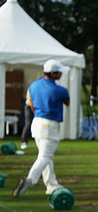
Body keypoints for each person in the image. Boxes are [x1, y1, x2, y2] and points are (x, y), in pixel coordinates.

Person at [12, 60, 70, 198]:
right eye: (59, 72)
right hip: (50, 125)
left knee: (46, 155)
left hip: (37, 123)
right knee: (45, 156)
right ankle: (29, 181)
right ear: (53, 73)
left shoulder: (33, 86)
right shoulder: (60, 90)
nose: (61, 74)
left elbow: (31, 104)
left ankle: (51, 184)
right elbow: (67, 103)